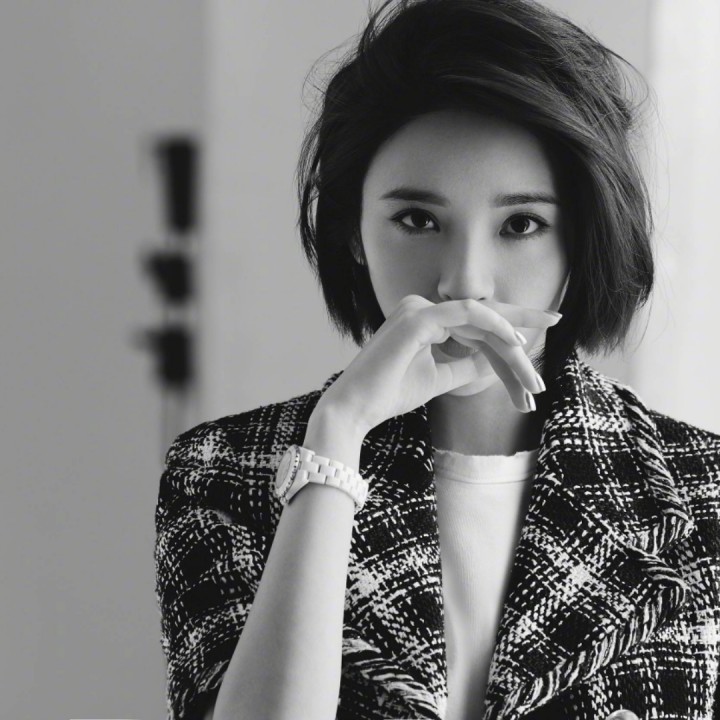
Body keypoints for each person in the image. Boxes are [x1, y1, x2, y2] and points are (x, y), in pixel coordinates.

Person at [153, 1, 720, 719]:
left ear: (584, 238)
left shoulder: (702, 494)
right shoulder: (220, 472)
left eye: (522, 224)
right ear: (354, 232)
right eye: (417, 220)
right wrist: (337, 436)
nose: (465, 283)